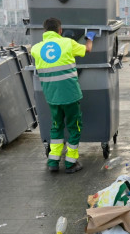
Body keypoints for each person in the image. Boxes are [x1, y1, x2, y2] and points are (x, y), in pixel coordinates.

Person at [31, 17, 94, 174]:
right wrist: (90, 38)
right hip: (70, 94)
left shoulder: (35, 49)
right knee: (74, 127)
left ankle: (53, 161)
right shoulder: (67, 42)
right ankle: (70, 163)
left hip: (51, 96)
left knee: (56, 126)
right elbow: (87, 50)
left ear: (44, 31)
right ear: (60, 30)